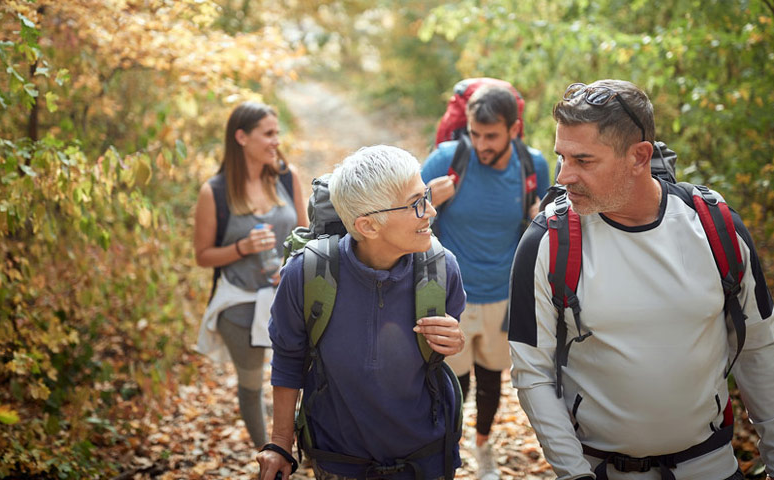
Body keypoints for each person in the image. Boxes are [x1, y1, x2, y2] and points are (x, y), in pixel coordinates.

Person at [508, 79, 774, 480]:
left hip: (712, 467)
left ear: (639, 156)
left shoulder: (715, 229)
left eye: (583, 160)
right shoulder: (548, 241)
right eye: (561, 157)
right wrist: (574, 474)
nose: (564, 176)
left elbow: (758, 347)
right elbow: (532, 374)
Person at [256, 145, 468, 480]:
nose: (430, 211)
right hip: (338, 462)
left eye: (426, 196)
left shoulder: (442, 270)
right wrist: (280, 443)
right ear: (368, 226)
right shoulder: (305, 275)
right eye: (416, 203)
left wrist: (454, 341)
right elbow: (288, 357)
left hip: (426, 460)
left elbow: (438, 355)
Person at [421, 84, 550, 480]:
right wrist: (427, 198)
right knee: (454, 382)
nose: (480, 145)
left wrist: (540, 217)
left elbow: (546, 230)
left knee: (492, 379)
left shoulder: (533, 166)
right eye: (474, 134)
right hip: (451, 297)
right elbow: (401, 216)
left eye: (491, 136)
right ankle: (450, 448)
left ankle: (482, 447)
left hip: (505, 296)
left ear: (514, 128)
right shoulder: (446, 159)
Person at [194, 101, 309, 449]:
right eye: (268, 133)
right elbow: (203, 256)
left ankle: (308, 447)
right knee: (251, 385)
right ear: (241, 137)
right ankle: (271, 458)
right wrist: (242, 247)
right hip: (239, 303)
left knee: (306, 376)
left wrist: (290, 267)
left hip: (289, 299)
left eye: (277, 133)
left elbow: (307, 236)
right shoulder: (214, 192)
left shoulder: (287, 178)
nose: (277, 141)